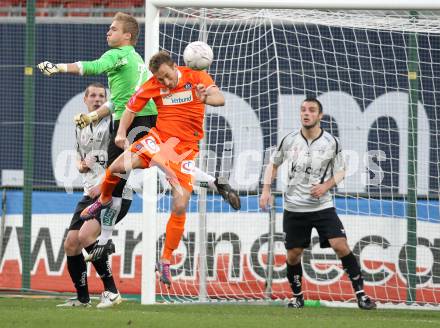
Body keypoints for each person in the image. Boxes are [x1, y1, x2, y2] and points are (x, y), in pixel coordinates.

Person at [37, 12, 240, 261]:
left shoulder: (118, 55)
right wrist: (97, 119)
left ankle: (105, 239)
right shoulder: (136, 61)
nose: (107, 32)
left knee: (119, 179)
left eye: (113, 29)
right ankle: (213, 182)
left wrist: (58, 67)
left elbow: (93, 67)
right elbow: (120, 103)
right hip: (147, 122)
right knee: (139, 171)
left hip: (146, 124)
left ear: (127, 36)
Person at [80, 51, 225, 288]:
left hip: (184, 150)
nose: (165, 82)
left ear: (174, 66)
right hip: (158, 140)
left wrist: (206, 98)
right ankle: (104, 199)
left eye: (167, 76)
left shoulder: (197, 77)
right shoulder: (153, 84)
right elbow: (130, 108)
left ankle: (166, 258)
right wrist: (120, 133)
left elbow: (219, 98)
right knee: (117, 166)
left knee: (180, 204)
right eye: (160, 78)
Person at [259, 97, 376, 310]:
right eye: (303, 110)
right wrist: (266, 190)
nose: (306, 113)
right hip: (294, 207)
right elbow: (273, 165)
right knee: (293, 255)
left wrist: (326, 186)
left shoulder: (331, 142)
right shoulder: (290, 140)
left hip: (322, 206)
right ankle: (298, 297)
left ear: (320, 116)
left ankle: (361, 295)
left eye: (312, 110)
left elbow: (341, 171)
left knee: (340, 245)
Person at [58, 83, 130, 308]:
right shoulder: (80, 125)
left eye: (102, 96)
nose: (97, 100)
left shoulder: (113, 124)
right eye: (93, 96)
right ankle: (82, 299)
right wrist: (81, 166)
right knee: (71, 243)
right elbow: (82, 159)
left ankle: (111, 291)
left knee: (86, 237)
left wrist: (104, 185)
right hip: (89, 192)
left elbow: (125, 160)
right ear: (85, 100)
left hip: (112, 191)